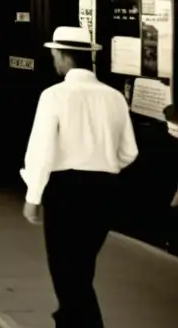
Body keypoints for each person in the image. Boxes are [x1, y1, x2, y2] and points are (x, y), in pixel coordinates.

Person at [21, 27, 138, 328]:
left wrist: (33, 196)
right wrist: (103, 163)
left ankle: (80, 323)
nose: (54, 61)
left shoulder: (54, 95)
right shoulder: (114, 97)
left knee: (65, 271)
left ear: (61, 55)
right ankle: (67, 320)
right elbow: (129, 152)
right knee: (82, 268)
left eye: (54, 56)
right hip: (105, 188)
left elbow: (41, 150)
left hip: (66, 189)